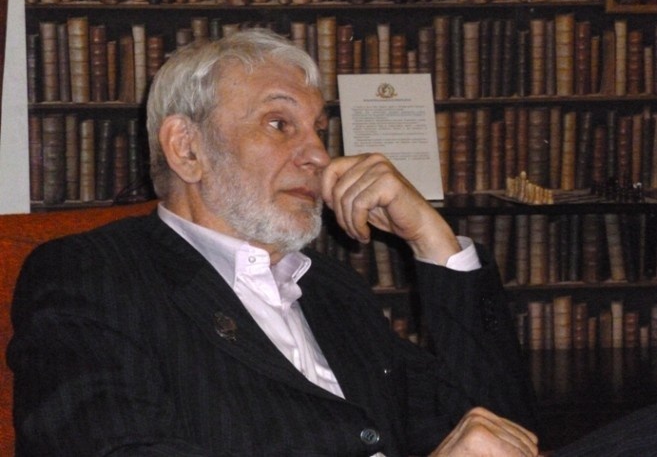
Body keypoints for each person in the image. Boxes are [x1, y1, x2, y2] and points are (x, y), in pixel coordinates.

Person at [8, 28, 540, 456]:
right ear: (186, 149)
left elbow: (500, 429)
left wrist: (432, 239)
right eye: (279, 123)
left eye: (318, 130)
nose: (319, 156)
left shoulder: (331, 289)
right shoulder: (94, 274)